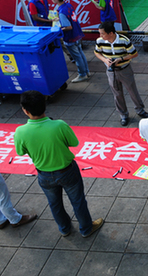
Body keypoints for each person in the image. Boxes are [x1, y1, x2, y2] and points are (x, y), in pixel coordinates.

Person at [14, 90, 104, 238]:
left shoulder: (20, 131)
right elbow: (74, 142)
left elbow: (20, 152)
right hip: (67, 171)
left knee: (55, 204)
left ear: (25, 111)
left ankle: (64, 228)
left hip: (44, 174)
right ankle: (86, 229)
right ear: (44, 105)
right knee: (78, 201)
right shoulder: (59, 125)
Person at [94, 21, 148, 126]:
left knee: (132, 91)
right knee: (117, 94)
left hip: (125, 69)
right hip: (111, 72)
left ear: (111, 33)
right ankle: (123, 115)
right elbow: (97, 52)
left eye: (102, 33)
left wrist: (121, 59)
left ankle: (140, 110)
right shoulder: (100, 41)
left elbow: (134, 54)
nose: (100, 35)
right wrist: (105, 60)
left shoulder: (124, 41)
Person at [49, 0, 90, 83]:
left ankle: (82, 74)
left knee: (77, 57)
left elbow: (68, 27)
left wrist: (59, 28)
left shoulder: (62, 12)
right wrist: (59, 19)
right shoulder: (68, 5)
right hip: (78, 34)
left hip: (70, 37)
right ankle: (86, 72)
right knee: (80, 54)